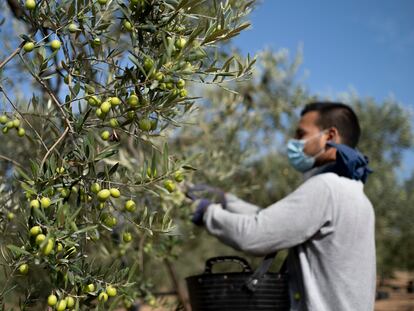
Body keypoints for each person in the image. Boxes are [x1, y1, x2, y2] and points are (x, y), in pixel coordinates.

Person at [190, 102, 376, 311]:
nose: (294, 142)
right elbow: (272, 221)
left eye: (301, 134)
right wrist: (228, 201)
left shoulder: (325, 188)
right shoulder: (352, 193)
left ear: (330, 136)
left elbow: (255, 234)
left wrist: (207, 213)